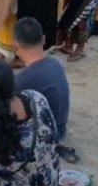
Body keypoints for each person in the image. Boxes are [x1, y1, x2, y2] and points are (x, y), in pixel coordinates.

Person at [12, 17, 75, 162]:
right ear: (44, 39)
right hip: (61, 127)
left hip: (49, 136)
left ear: (15, 45)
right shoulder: (55, 63)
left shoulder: (22, 79)